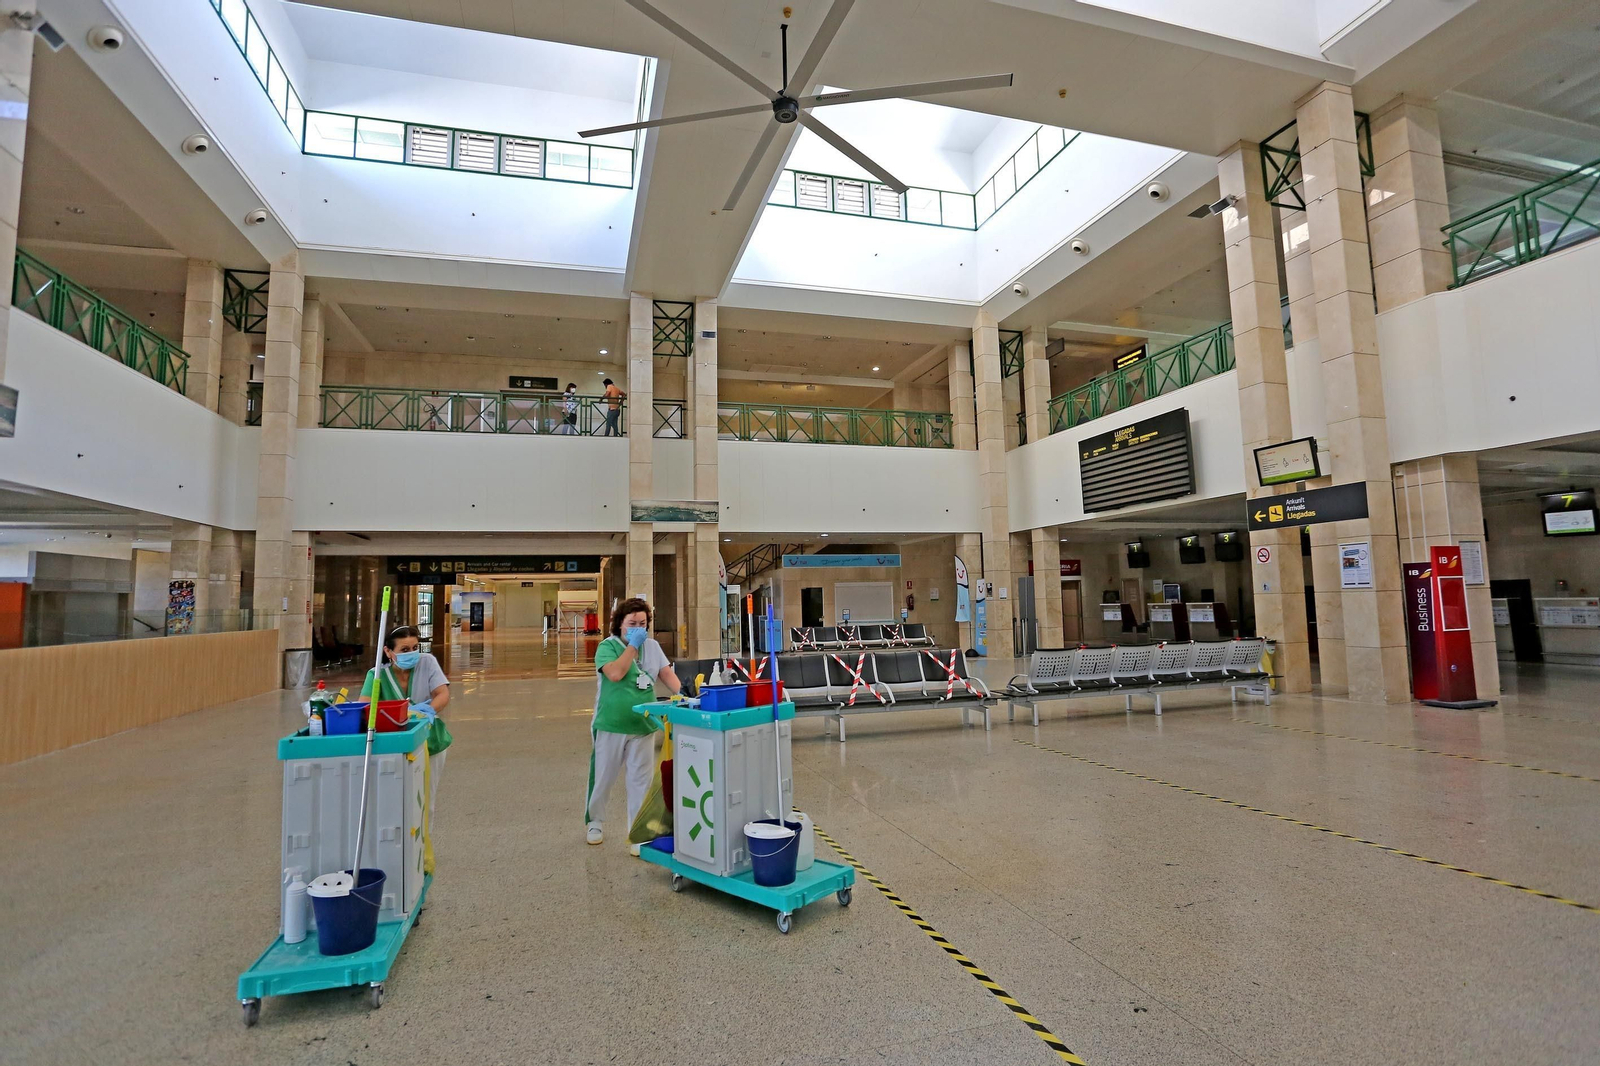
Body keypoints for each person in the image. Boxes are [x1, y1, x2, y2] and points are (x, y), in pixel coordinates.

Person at [586, 597, 679, 846]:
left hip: (643, 726)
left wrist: (684, 695)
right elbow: (616, 673)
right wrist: (632, 647)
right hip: (611, 725)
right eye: (632, 624)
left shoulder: (653, 647)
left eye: (642, 624)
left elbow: (667, 675)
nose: (638, 628)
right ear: (620, 624)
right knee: (603, 777)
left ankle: (637, 831)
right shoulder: (607, 647)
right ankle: (595, 821)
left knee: (640, 782)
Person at [361, 625, 453, 822]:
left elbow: (442, 693)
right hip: (392, 745)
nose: (411, 653)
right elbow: (365, 707)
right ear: (388, 651)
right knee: (394, 801)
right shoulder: (376, 675)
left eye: (415, 648)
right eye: (404, 650)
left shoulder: (427, 662)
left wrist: (427, 710)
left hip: (430, 741)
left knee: (425, 801)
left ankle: (423, 841)